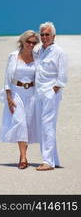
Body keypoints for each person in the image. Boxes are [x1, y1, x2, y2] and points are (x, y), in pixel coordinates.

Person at [0, 30, 40, 169]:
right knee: (20, 122)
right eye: (28, 41)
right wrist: (8, 97)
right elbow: (7, 78)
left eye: (34, 42)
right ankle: (23, 158)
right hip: (16, 93)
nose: (30, 44)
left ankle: (24, 156)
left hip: (32, 94)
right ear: (22, 41)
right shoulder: (13, 56)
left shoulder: (37, 57)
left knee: (27, 124)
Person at [35, 21, 68, 171]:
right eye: (42, 34)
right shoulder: (39, 51)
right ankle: (54, 159)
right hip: (38, 93)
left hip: (50, 94)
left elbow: (63, 75)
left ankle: (47, 161)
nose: (44, 37)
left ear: (53, 36)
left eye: (47, 34)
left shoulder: (59, 52)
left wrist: (54, 90)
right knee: (44, 126)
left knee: (47, 126)